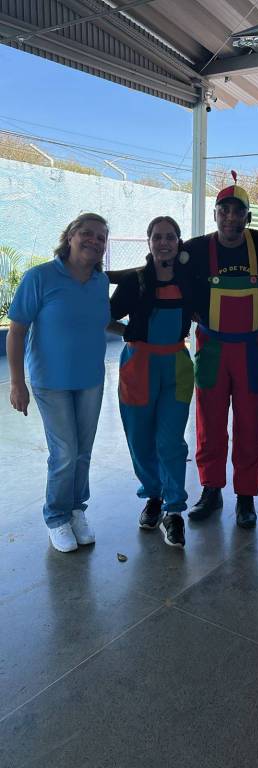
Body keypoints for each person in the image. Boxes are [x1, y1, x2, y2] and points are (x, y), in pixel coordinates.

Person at [184, 173, 258, 528]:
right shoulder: (196, 249)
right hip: (211, 346)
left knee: (250, 424)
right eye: (224, 211)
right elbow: (167, 271)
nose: (230, 218)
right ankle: (211, 490)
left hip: (250, 348)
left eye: (238, 212)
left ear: (249, 216)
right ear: (215, 214)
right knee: (209, 422)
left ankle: (246, 496)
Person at [7, 213, 111, 553]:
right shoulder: (40, 277)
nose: (94, 241)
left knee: (82, 452)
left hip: (91, 379)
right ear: (70, 236)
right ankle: (56, 517)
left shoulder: (100, 282)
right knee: (64, 452)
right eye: (87, 233)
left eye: (101, 237)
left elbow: (102, 323)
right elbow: (17, 330)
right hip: (51, 382)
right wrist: (16, 382)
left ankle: (76, 508)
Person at [109, 216, 195, 549]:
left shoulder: (189, 279)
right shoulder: (135, 281)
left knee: (171, 441)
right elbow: (106, 316)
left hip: (177, 365)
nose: (164, 243)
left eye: (170, 237)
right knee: (140, 439)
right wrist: (130, 333)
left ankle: (174, 510)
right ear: (149, 242)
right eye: (157, 237)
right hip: (138, 364)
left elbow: (203, 311)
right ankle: (154, 497)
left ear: (178, 242)